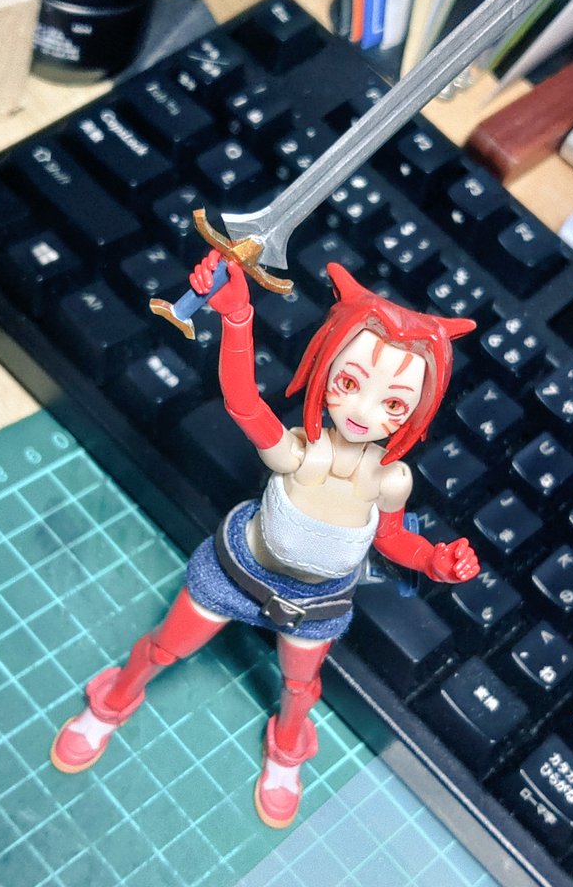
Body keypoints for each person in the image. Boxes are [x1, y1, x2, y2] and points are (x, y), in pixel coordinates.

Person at [50, 254, 480, 829]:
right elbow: (243, 403)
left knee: (300, 688)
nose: (363, 411)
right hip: (238, 572)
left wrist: (433, 561)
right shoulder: (300, 451)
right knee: (163, 648)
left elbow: (394, 539)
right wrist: (237, 316)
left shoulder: (389, 479)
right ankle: (112, 702)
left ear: (416, 412)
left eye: (394, 404)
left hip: (316, 602)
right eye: (349, 383)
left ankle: (287, 749)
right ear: (325, 367)